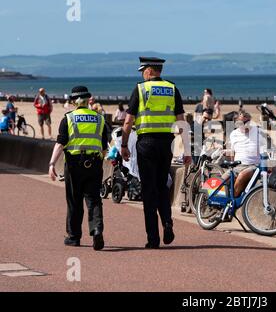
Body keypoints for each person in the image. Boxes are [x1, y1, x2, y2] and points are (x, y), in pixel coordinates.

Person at [121, 57, 192, 249]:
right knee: (162, 186)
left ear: (149, 71)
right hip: (166, 144)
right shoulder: (172, 89)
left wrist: (124, 145)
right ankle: (167, 222)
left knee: (148, 189)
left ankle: (153, 238)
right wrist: (186, 149)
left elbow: (128, 122)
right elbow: (181, 120)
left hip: (146, 144)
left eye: (143, 70)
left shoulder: (141, 89)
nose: (142, 74)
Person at [48, 86, 108, 251]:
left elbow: (60, 144)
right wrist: (99, 160)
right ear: (89, 100)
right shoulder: (100, 119)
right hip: (94, 163)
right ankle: (97, 229)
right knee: (94, 199)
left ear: (74, 101)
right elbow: (104, 146)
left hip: (74, 165)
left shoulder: (68, 118)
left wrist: (52, 164)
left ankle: (74, 237)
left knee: (74, 201)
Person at [223, 110, 267, 197]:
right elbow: (232, 153)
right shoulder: (233, 134)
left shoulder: (259, 131)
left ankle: (231, 202)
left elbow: (266, 152)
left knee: (242, 176)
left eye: (245, 122)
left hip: (254, 166)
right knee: (220, 181)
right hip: (238, 166)